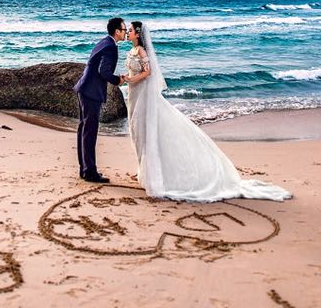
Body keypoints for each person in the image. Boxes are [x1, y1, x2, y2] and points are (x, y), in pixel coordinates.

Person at [122, 21, 291, 202]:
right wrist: (129, 80)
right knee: (138, 130)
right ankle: (145, 171)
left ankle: (155, 176)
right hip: (134, 93)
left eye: (130, 30)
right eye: (127, 30)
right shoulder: (132, 51)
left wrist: (131, 80)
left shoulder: (142, 51)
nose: (128, 32)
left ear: (138, 34)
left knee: (147, 130)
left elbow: (148, 72)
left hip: (143, 92)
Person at [73, 17, 128, 183]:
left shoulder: (103, 42)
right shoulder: (111, 47)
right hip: (91, 92)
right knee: (89, 131)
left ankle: (85, 169)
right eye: (124, 30)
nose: (125, 32)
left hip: (84, 88)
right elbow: (103, 71)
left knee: (84, 129)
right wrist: (117, 80)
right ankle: (90, 172)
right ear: (117, 31)